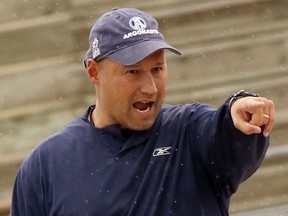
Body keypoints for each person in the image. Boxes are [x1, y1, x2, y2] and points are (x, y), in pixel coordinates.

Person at [10, 7, 275, 216]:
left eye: (157, 69)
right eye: (133, 72)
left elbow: (226, 135)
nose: (149, 88)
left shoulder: (189, 132)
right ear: (94, 71)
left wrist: (239, 108)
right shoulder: (45, 166)